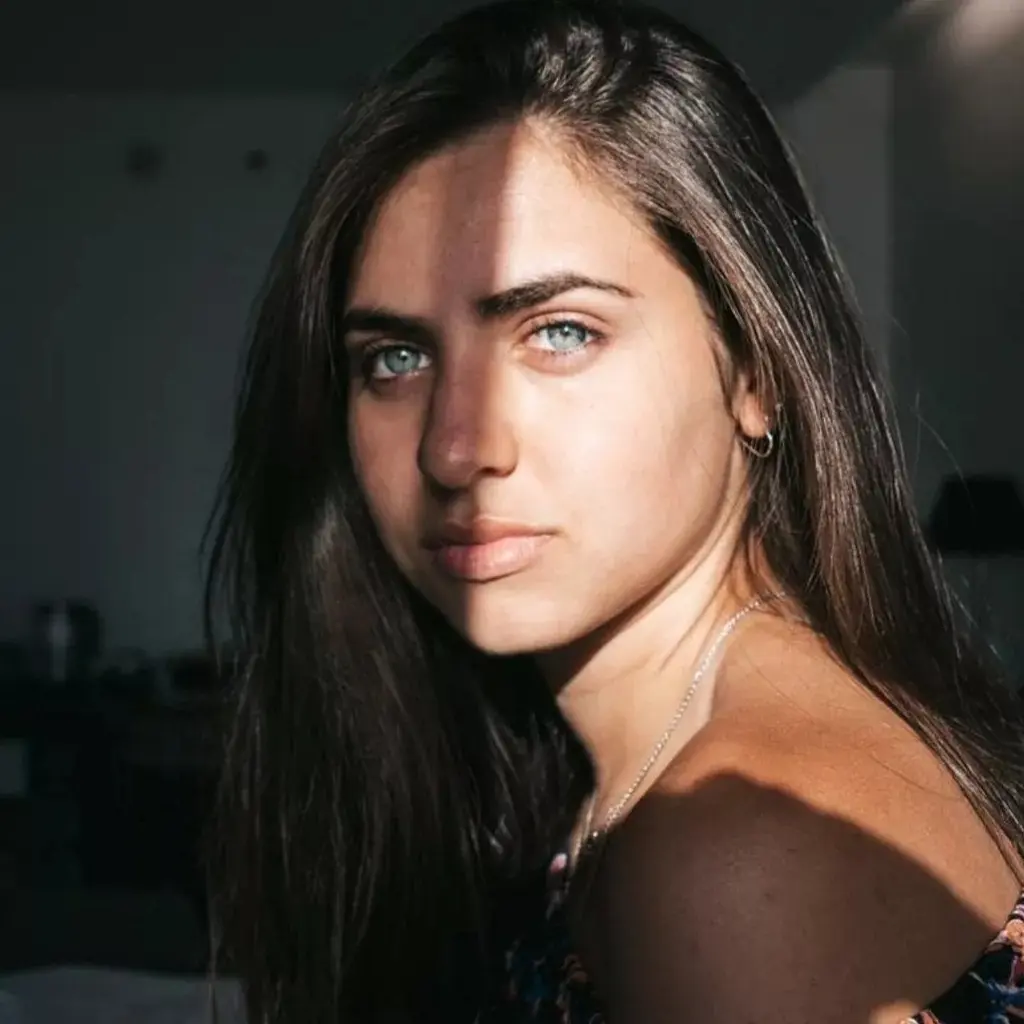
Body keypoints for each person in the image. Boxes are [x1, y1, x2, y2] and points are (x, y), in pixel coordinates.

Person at [202, 1, 1024, 1021]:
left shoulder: (736, 855)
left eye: (560, 332)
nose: (454, 448)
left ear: (756, 371)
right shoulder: (636, 760)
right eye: (397, 357)